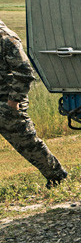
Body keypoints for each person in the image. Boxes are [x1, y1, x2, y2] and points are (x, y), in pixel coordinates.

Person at [0, 18, 68, 188]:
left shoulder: (7, 39)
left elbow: (25, 72)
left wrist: (13, 103)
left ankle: (57, 176)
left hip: (7, 105)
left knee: (28, 144)